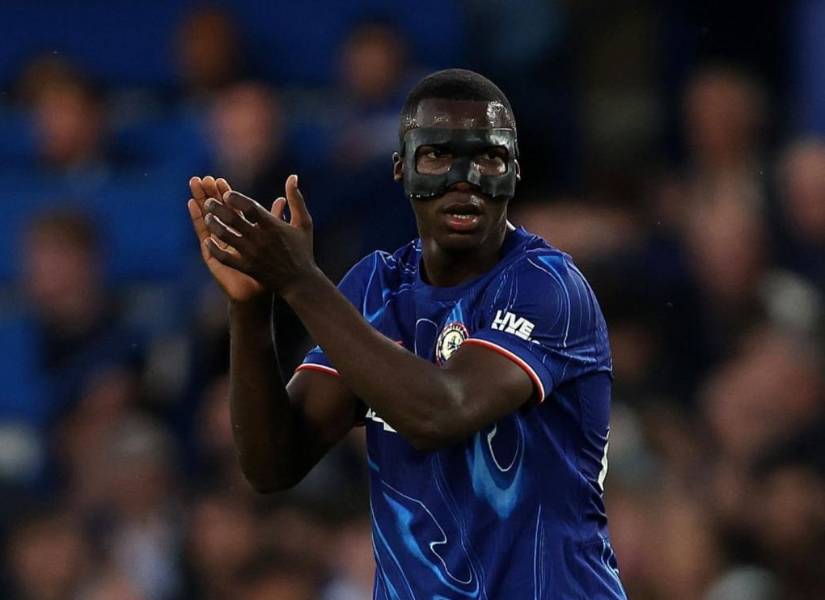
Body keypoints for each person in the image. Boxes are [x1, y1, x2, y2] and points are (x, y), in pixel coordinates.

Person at [187, 69, 626, 598]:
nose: (464, 179)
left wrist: (300, 281)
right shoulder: (377, 289)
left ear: (514, 171)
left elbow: (440, 413)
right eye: (437, 155)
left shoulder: (547, 286)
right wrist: (251, 306)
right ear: (401, 169)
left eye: (488, 157)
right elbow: (272, 464)